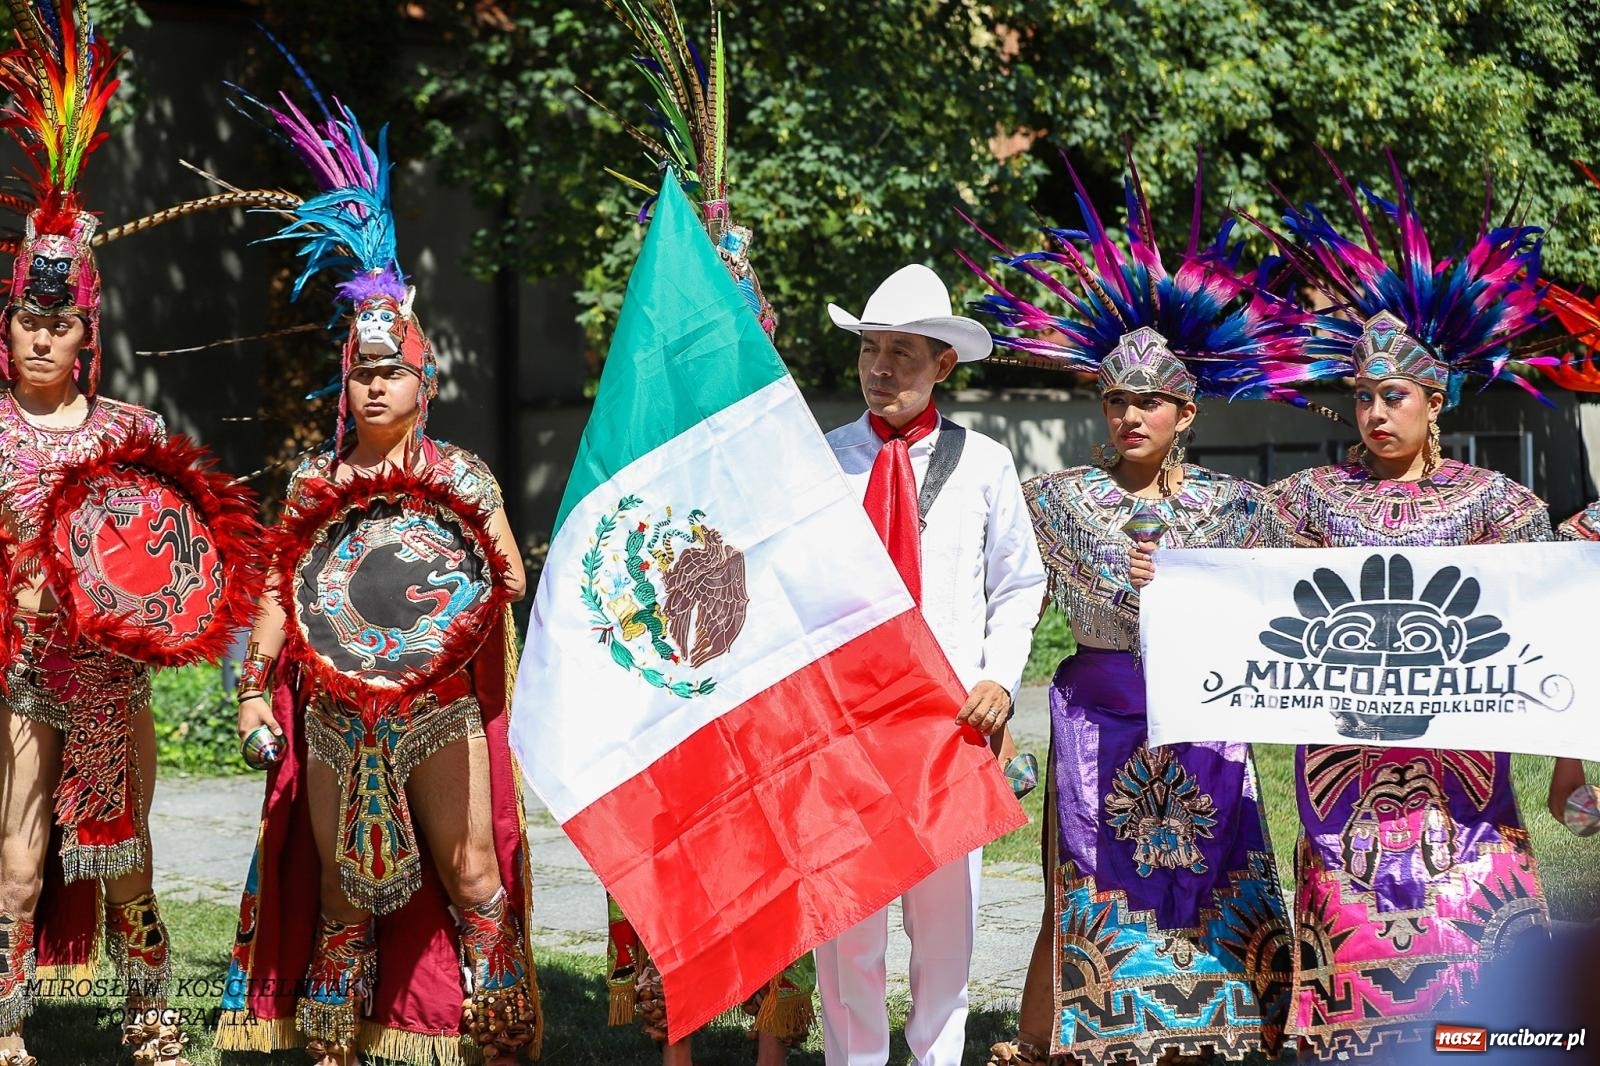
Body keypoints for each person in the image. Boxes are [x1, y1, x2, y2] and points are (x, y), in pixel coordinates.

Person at [212, 81, 539, 1066]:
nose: (375, 385)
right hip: (333, 717)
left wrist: (452, 568)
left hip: (437, 710)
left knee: (472, 874)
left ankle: (497, 1040)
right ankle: (333, 1050)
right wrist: (250, 692)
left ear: (422, 383)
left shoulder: (462, 476)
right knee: (341, 890)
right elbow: (279, 591)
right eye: (362, 371)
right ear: (345, 383)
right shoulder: (315, 481)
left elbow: (510, 582)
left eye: (392, 371)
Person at [963, 155, 1305, 1066]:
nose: (1130, 415)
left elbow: (1290, 605)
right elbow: (995, 587)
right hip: (1097, 714)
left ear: (1185, 413)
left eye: (1150, 402)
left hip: (1203, 712)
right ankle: (1046, 1038)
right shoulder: (1054, 501)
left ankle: (1217, 1028)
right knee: (1083, 880)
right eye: (1116, 400)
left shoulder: (1238, 509)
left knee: (1211, 880)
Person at [1242, 153, 1557, 1054]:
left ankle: (1484, 1034)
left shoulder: (1494, 501)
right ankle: (1353, 1036)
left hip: (1460, 747)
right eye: (1363, 398)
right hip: (1345, 744)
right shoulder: (1305, 499)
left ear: (1434, 400)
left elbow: (1550, 593)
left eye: (1394, 396)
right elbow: (1242, 584)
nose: (1376, 413)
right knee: (1348, 893)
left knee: (1470, 888)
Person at [590, 6, 811, 1062]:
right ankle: (673, 1041)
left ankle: (771, 1040)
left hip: (763, 660)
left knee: (773, 840)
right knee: (665, 842)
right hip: (666, 661)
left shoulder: (776, 426)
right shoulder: (642, 424)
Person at [813, 262, 1046, 1066]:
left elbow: (1020, 582)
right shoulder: (825, 461)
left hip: (949, 726)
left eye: (901, 354)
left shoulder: (984, 463)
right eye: (869, 350)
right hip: (846, 727)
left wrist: (999, 680)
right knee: (849, 925)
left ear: (943, 364)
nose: (879, 369)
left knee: (947, 926)